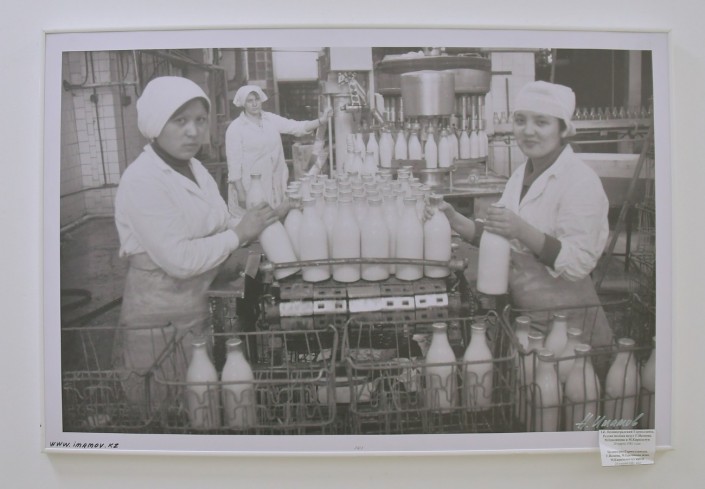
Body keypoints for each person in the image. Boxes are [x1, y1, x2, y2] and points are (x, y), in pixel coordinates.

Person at [113, 76, 277, 406]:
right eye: (180, 121)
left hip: (196, 309)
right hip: (158, 323)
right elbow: (180, 258)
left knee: (202, 404)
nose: (193, 131)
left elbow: (220, 220)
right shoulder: (142, 180)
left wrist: (263, 221)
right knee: (165, 408)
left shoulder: (195, 168)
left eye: (200, 120)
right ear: (156, 123)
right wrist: (239, 234)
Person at [430, 81, 612, 347]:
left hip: (570, 325)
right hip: (527, 318)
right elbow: (500, 233)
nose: (528, 131)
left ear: (562, 128)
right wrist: (454, 218)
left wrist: (522, 230)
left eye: (541, 122)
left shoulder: (580, 181)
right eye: (520, 120)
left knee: (572, 374)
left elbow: (578, 262)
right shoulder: (521, 175)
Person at [225, 85, 332, 212]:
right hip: (250, 187)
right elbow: (234, 166)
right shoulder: (236, 128)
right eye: (249, 101)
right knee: (255, 219)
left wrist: (321, 121)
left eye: (257, 99)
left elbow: (296, 127)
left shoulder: (270, 119)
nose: (254, 104)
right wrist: (241, 194)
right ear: (244, 103)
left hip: (274, 182)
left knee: (274, 217)